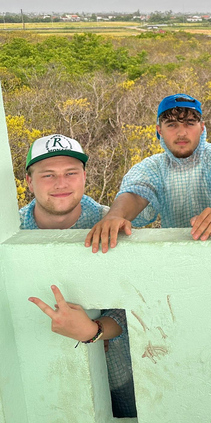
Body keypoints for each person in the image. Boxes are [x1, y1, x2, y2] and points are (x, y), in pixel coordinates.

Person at [21, 134, 136, 418]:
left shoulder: (112, 224)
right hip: (35, 376)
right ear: (28, 181)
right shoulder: (11, 231)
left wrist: (92, 330)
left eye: (71, 173)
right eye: (48, 175)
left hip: (116, 373)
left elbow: (134, 309)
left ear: (85, 176)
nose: (61, 183)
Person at [85, 94, 211, 253]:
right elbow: (135, 194)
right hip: (177, 255)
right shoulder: (153, 167)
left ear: (202, 128)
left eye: (190, 123)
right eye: (172, 125)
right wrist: (115, 216)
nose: (181, 132)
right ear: (159, 130)